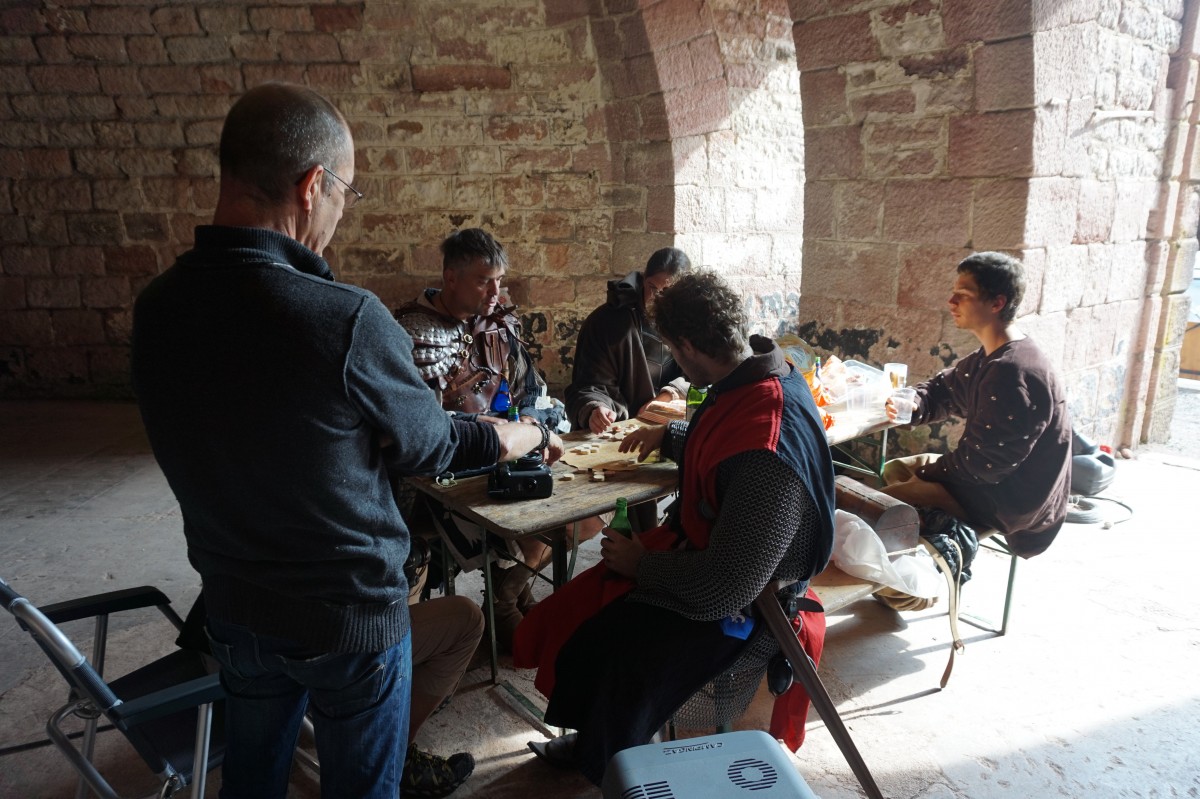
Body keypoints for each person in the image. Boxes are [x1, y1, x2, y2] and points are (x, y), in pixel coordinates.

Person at [131, 83, 562, 799]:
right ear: (311, 186)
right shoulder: (344, 317)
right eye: (345, 196)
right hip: (348, 620)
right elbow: (430, 446)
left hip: (235, 604)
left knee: (253, 780)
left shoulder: (157, 309)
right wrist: (518, 433)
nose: (338, 215)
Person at [517, 271, 836, 785]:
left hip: (747, 600)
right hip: (711, 555)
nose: (672, 361)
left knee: (623, 662)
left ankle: (618, 772)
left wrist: (643, 564)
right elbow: (725, 443)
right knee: (580, 628)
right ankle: (596, 742)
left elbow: (726, 586)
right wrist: (671, 436)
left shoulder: (766, 451)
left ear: (687, 346)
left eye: (671, 350)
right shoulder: (753, 373)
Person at [394, 228, 564, 652]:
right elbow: (421, 431)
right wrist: (498, 432)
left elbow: (533, 389)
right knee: (522, 519)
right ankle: (502, 604)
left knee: (568, 513)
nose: (495, 291)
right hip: (434, 478)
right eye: (484, 280)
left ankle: (509, 593)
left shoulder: (498, 325)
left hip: (501, 452)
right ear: (451, 278)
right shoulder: (410, 331)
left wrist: (531, 418)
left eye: (500, 280)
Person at [879, 251, 1072, 559]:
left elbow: (984, 465)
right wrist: (914, 402)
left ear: (997, 303)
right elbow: (944, 389)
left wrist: (928, 475)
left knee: (871, 504)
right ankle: (911, 549)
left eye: (963, 295)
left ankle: (912, 586)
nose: (951, 302)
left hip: (1009, 500)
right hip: (990, 479)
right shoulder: (995, 354)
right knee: (897, 469)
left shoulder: (1012, 371)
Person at [565, 247, 692, 435]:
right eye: (652, 287)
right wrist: (595, 409)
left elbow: (707, 376)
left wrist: (670, 394)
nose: (654, 298)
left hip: (673, 431)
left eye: (666, 291)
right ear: (643, 278)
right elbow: (589, 383)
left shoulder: (692, 324)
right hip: (618, 431)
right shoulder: (606, 322)